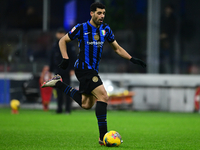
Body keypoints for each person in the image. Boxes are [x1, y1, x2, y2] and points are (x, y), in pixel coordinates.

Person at [42, 2, 146, 145]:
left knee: (86, 104)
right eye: (99, 13)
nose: (102, 16)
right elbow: (62, 41)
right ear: (91, 13)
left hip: (92, 70)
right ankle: (102, 137)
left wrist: (132, 58)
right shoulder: (81, 28)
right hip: (83, 69)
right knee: (103, 95)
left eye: (103, 13)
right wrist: (65, 58)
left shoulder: (106, 29)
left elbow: (117, 48)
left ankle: (59, 84)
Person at [49, 28, 76, 114]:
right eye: (59, 33)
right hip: (57, 71)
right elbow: (52, 59)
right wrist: (50, 70)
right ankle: (59, 108)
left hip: (67, 70)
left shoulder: (69, 45)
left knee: (67, 90)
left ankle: (68, 109)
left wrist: (72, 69)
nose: (60, 35)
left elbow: (73, 58)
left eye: (62, 33)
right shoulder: (54, 45)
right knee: (58, 91)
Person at [160, 4, 177, 73]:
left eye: (169, 9)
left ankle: (169, 72)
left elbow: (174, 30)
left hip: (169, 40)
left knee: (168, 59)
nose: (168, 10)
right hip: (161, 42)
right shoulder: (162, 18)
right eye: (167, 8)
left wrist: (166, 36)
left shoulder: (173, 19)